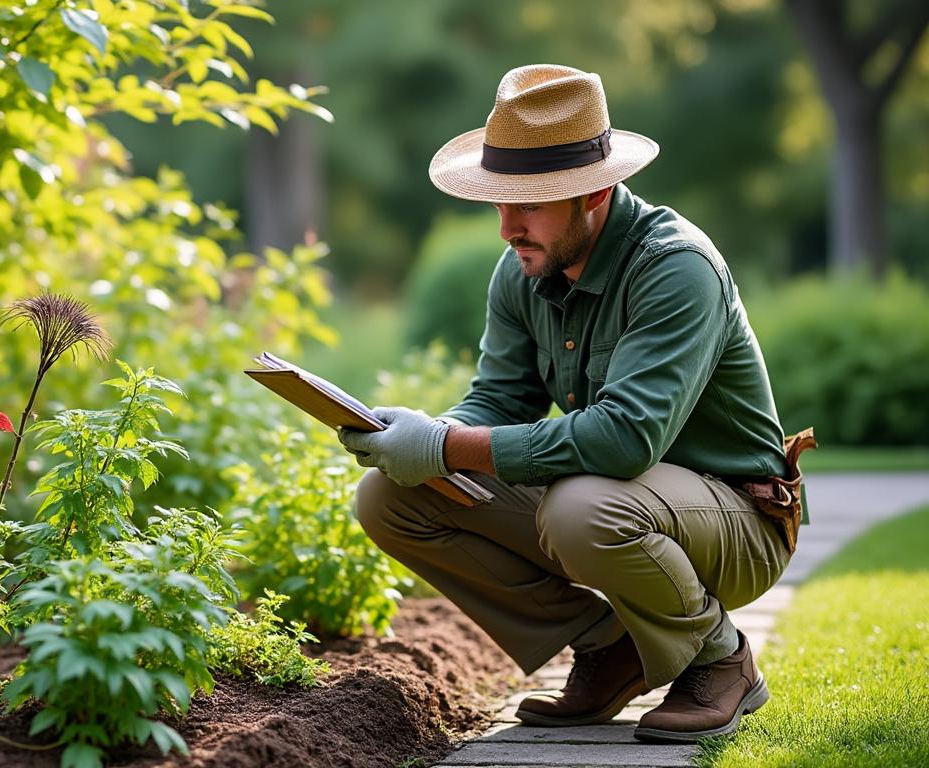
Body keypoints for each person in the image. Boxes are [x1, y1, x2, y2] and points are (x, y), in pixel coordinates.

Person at [339, 64, 811, 744]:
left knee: (582, 506)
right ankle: (609, 646)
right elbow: (501, 398)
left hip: (737, 521)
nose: (506, 228)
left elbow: (624, 441)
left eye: (526, 203)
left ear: (593, 191)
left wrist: (444, 447)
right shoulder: (524, 268)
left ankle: (721, 659)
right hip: (627, 504)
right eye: (497, 202)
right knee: (392, 497)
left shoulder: (676, 267)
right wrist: (421, 441)